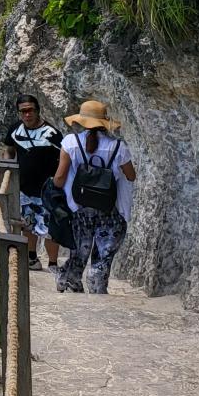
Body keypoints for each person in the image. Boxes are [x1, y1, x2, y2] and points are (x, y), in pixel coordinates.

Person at [52, 99, 137, 295]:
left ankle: (70, 277)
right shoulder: (118, 147)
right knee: (105, 248)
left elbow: (59, 177)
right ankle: (97, 275)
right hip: (108, 207)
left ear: (81, 121)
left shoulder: (70, 143)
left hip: (79, 207)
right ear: (105, 123)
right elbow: (130, 175)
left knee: (80, 247)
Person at [7, 97, 63, 271]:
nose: (27, 114)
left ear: (38, 110)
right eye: (23, 111)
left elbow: (63, 158)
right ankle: (32, 258)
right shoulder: (15, 130)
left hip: (47, 190)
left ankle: (53, 263)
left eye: (30, 110)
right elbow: (9, 150)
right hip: (24, 188)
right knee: (27, 225)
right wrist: (4, 168)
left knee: (50, 228)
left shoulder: (51, 133)